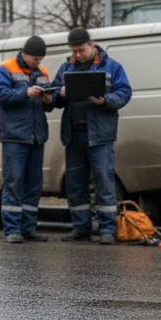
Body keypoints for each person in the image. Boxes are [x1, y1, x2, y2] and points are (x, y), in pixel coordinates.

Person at [52, 27, 132, 244]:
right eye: (74, 51)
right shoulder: (66, 67)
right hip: (74, 135)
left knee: (104, 182)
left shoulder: (112, 67)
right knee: (75, 184)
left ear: (92, 44)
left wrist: (105, 101)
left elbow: (124, 93)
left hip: (100, 135)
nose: (77, 55)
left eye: (80, 50)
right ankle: (81, 228)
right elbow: (52, 96)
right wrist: (59, 94)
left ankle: (107, 230)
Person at [0, 35, 54, 244]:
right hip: (15, 137)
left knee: (34, 185)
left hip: (37, 136)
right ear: (25, 54)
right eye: (35, 58)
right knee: (14, 182)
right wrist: (25, 92)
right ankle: (12, 229)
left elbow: (49, 104)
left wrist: (48, 99)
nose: (39, 62)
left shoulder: (43, 72)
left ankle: (29, 228)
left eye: (41, 58)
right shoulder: (5, 68)